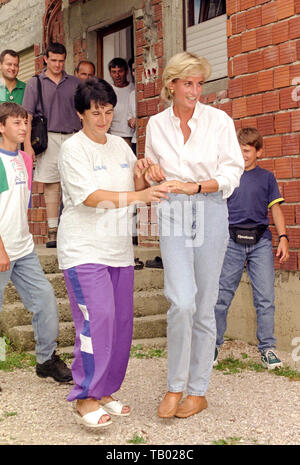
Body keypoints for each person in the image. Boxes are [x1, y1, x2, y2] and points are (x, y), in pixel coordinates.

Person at [57, 77, 169, 428]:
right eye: (96, 112)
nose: (103, 118)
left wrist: (141, 174)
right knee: (98, 319)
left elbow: (133, 187)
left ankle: (105, 390)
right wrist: (140, 197)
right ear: (80, 114)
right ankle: (84, 396)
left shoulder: (121, 146)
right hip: (83, 250)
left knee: (120, 325)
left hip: (118, 250)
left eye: (108, 111)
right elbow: (90, 197)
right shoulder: (72, 149)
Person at [144, 51, 244, 419]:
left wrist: (197, 188)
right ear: (171, 85)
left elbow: (233, 173)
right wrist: (150, 171)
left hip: (211, 207)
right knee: (181, 300)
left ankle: (197, 390)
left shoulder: (219, 121)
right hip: (172, 210)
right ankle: (174, 385)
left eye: (200, 83)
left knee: (204, 305)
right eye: (188, 83)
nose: (195, 90)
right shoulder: (155, 124)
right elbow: (151, 170)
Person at [0, 102, 72, 385]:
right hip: (2, 249)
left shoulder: (24, 160)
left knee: (45, 301)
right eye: (16, 123)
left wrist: (27, 139)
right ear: (1, 126)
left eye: (25, 123)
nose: (22, 128)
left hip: (24, 248)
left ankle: (45, 360)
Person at [214, 127, 289, 370]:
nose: (242, 154)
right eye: (239, 150)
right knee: (221, 296)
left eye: (246, 150)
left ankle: (267, 349)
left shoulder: (267, 178)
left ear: (258, 151)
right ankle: (212, 346)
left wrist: (284, 237)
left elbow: (276, 209)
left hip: (261, 243)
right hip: (231, 241)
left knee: (265, 298)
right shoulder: (227, 176)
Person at [22, 42, 81, 248]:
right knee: (51, 184)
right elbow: (27, 115)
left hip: (74, 136)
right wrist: (27, 144)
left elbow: (83, 111)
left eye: (61, 61)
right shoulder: (35, 82)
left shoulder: (74, 83)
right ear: (45, 59)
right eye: (53, 60)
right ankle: (52, 230)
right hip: (48, 137)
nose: (57, 64)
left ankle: (71, 229)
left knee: (74, 183)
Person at [108, 57, 134, 146]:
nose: (117, 75)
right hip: (113, 136)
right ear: (110, 73)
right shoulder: (107, 90)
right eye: (114, 72)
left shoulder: (134, 89)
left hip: (132, 136)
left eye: (120, 71)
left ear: (127, 72)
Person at [127, 59, 136, 155]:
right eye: (133, 70)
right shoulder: (132, 94)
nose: (135, 73)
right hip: (135, 139)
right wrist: (131, 121)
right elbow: (129, 117)